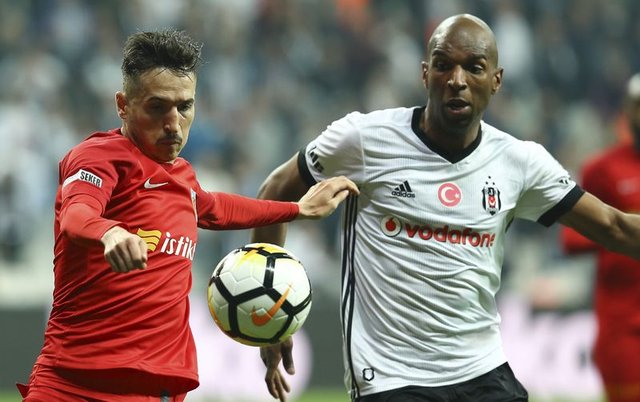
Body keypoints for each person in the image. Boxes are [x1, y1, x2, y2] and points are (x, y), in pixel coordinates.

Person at [251, 13, 640, 402]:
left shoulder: (519, 162)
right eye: (443, 65)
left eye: (474, 68)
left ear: (496, 80)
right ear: (425, 74)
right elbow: (275, 190)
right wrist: (269, 311)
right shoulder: (366, 139)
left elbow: (615, 227)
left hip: (482, 371)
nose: (457, 80)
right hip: (391, 378)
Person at [17, 28, 358, 402]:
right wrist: (110, 232)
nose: (173, 123)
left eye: (184, 107)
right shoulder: (98, 157)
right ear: (123, 105)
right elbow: (77, 213)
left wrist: (297, 208)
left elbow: (218, 208)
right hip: (74, 385)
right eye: (157, 107)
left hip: (158, 391)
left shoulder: (182, 178)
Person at [561, 73, 640, 402]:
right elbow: (571, 238)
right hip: (623, 322)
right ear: (627, 111)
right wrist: (616, 230)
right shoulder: (602, 169)